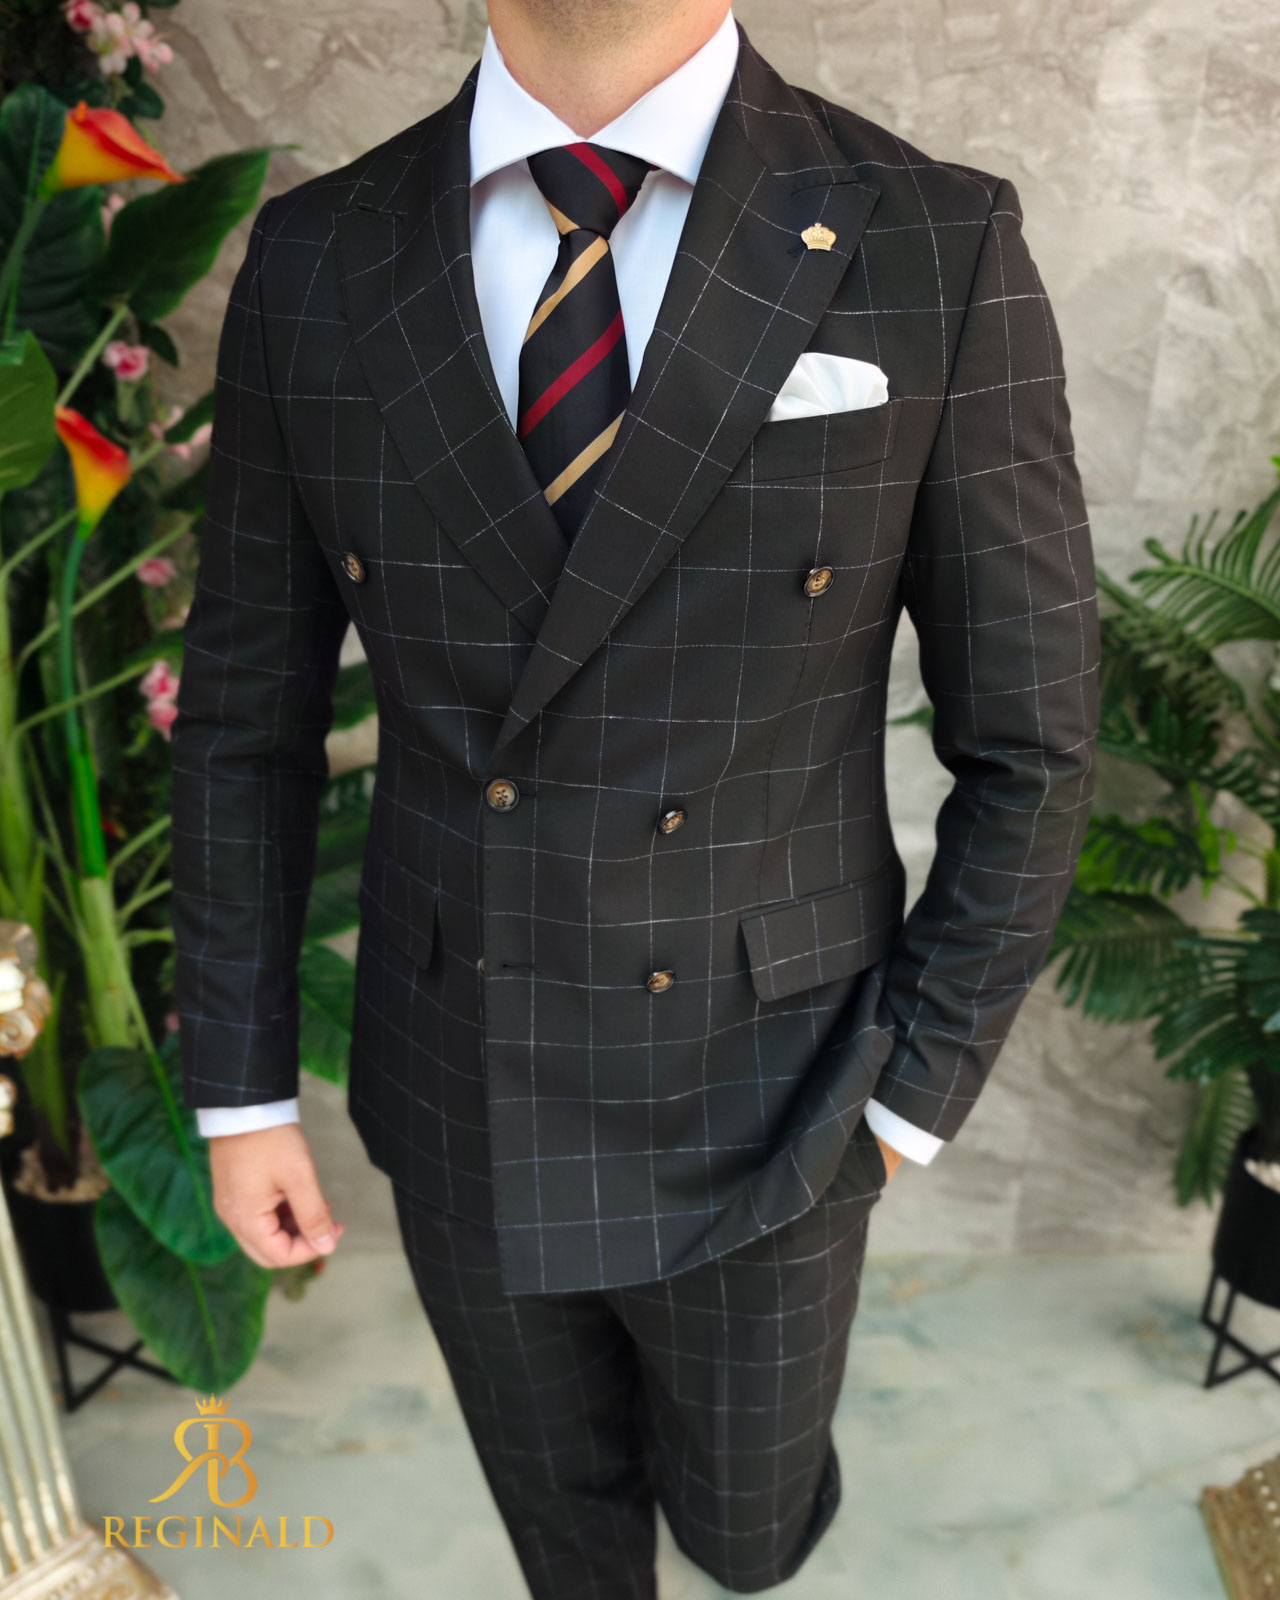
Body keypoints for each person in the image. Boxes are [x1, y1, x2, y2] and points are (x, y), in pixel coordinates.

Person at [170, 0, 1099, 1592]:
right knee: (564, 1536)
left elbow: (1032, 739)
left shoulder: (932, 242)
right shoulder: (318, 257)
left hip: (778, 1092)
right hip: (459, 1064)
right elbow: (245, 722)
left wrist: (906, 1099)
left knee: (748, 1535)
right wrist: (242, 1097)